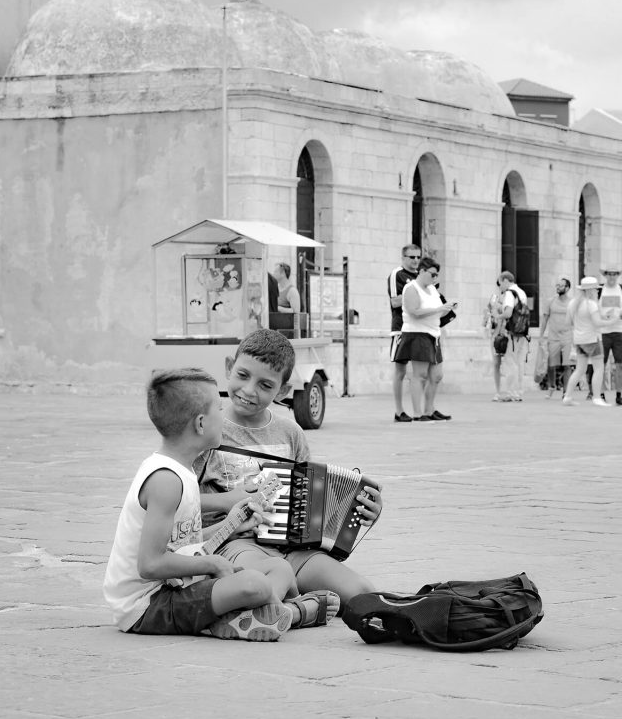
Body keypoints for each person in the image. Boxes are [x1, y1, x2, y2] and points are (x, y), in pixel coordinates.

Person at [103, 368, 338, 642]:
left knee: (280, 569)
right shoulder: (165, 480)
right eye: (219, 408)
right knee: (255, 584)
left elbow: (181, 543)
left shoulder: (183, 470)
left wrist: (232, 526)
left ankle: (256, 616)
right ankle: (291, 613)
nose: (225, 415)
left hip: (179, 584)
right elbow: (150, 564)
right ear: (201, 424)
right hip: (149, 603)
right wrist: (214, 563)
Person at [196, 328, 383, 612]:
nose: (249, 390)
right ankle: (299, 608)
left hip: (293, 550)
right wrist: (225, 500)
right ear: (228, 368)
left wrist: (362, 511)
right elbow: (176, 499)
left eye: (265, 385)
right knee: (258, 584)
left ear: (282, 390)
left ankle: (293, 604)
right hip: (236, 544)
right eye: (243, 375)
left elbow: (313, 503)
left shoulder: (290, 433)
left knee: (363, 595)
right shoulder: (208, 431)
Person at [392, 256, 457, 422]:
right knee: (419, 374)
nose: (435, 278)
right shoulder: (411, 288)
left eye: (436, 275)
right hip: (417, 333)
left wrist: (447, 308)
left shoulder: (432, 289)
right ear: (422, 271)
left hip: (433, 334)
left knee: (437, 375)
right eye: (432, 274)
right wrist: (438, 308)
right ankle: (417, 413)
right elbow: (414, 311)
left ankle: (429, 409)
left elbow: (437, 312)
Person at [562, 277, 621, 407]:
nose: (596, 292)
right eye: (595, 289)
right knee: (599, 368)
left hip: (579, 340)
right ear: (591, 291)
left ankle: (567, 396)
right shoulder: (591, 304)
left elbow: (567, 323)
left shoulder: (573, 303)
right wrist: (613, 320)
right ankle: (596, 397)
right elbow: (597, 323)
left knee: (579, 370)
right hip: (592, 340)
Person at [387, 243, 421, 421]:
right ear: (403, 258)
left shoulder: (421, 276)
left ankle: (422, 410)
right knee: (400, 371)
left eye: (418, 257)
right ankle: (399, 411)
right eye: (412, 257)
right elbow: (394, 301)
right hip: (401, 329)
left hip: (420, 329)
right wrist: (418, 295)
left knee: (420, 372)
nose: (416, 260)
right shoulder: (397, 274)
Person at [597, 269, 622, 406]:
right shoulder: (600, 290)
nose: (612, 276)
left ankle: (619, 395)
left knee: (620, 364)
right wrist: (601, 316)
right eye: (609, 274)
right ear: (605, 275)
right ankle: (600, 393)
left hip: (620, 331)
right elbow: (593, 308)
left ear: (618, 275)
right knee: (600, 364)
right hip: (603, 331)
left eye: (614, 274)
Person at [496, 271, 529, 402]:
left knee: (510, 361)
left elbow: (508, 313)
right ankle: (518, 391)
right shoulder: (522, 292)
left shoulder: (510, 293)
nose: (500, 288)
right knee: (519, 361)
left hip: (513, 332)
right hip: (522, 332)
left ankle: (511, 392)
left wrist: (498, 315)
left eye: (500, 284)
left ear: (505, 280)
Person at [539, 278, 574, 397]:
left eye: (561, 285)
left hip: (568, 337)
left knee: (567, 364)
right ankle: (551, 386)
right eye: (557, 285)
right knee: (551, 364)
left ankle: (566, 392)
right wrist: (541, 336)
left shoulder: (572, 303)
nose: (558, 287)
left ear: (567, 288)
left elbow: (576, 320)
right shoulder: (550, 301)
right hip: (553, 337)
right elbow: (544, 319)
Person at [483, 279, 506, 401]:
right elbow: (487, 316)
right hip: (496, 335)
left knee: (508, 363)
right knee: (496, 363)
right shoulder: (494, 299)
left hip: (507, 334)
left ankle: (510, 391)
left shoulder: (512, 298)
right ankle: (498, 391)